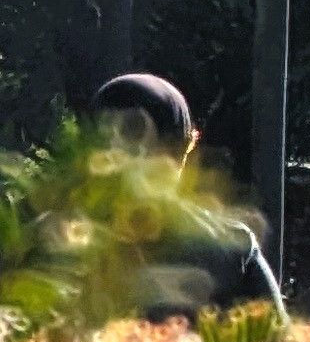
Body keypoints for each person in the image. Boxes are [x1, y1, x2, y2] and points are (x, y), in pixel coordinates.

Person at [92, 74, 288, 315]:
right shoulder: (66, 243)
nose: (114, 148)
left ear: (171, 147)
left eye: (131, 129)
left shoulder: (231, 249)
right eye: (103, 132)